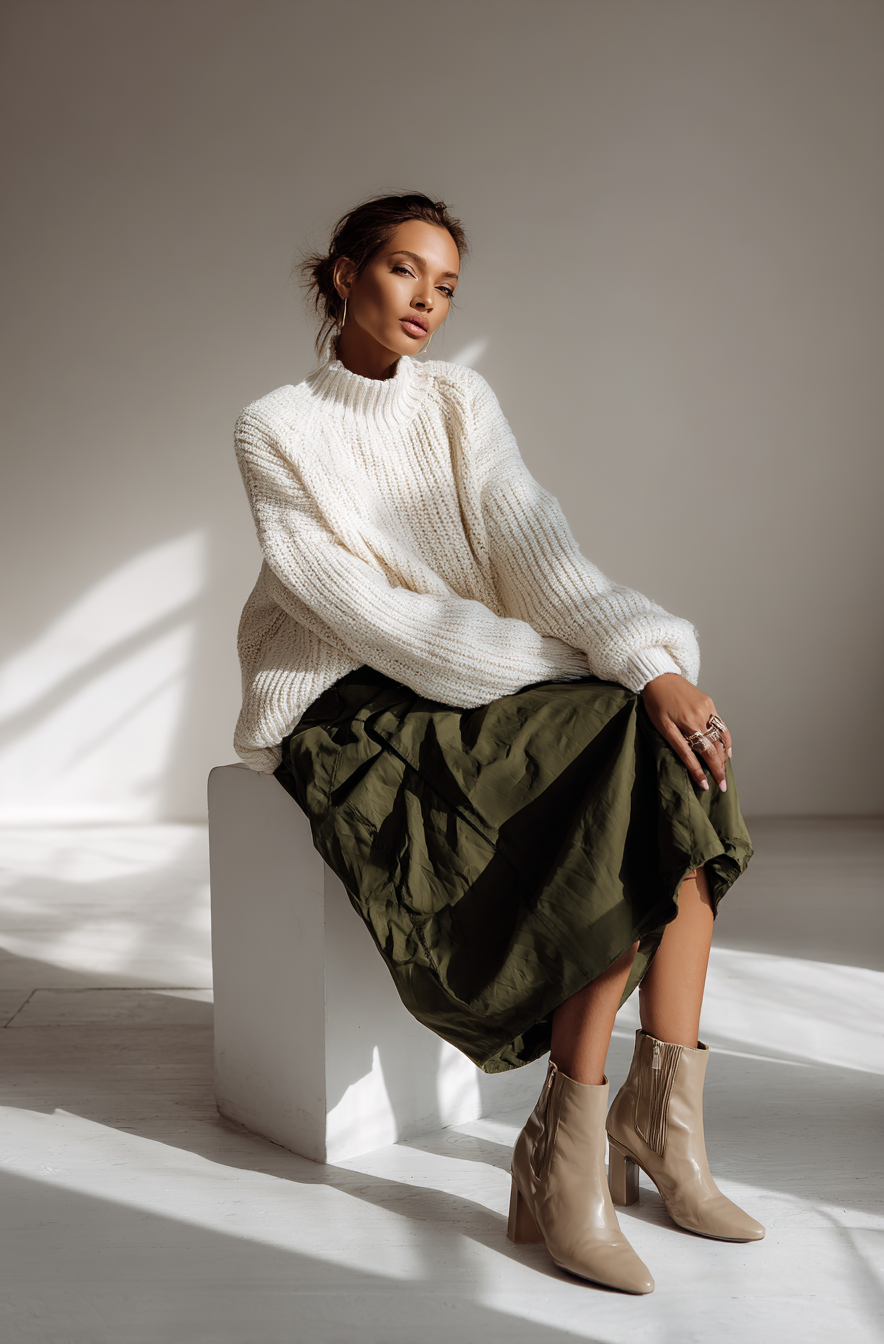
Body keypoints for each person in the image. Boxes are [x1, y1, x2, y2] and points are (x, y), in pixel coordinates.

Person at [231, 192, 763, 1294]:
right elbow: (367, 614)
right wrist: (583, 669)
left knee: (666, 746)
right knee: (621, 753)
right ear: (340, 274)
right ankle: (564, 1159)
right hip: (347, 700)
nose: (425, 300)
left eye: (446, 285)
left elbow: (539, 553)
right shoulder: (275, 424)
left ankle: (660, 1123)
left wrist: (649, 663)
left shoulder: (460, 401)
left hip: (474, 670)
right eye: (401, 272)